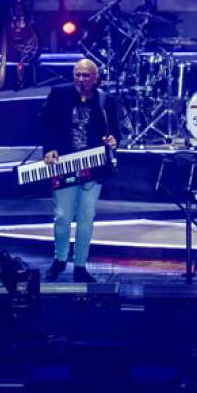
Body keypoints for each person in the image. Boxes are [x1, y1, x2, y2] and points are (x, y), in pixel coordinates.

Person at [39, 58, 119, 283]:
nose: (81, 79)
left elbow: (115, 131)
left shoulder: (105, 99)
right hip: (65, 162)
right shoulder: (59, 94)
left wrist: (114, 141)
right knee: (62, 215)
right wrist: (49, 148)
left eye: (86, 75)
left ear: (95, 78)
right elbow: (45, 123)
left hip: (93, 164)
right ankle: (60, 259)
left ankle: (81, 265)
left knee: (86, 217)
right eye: (77, 75)